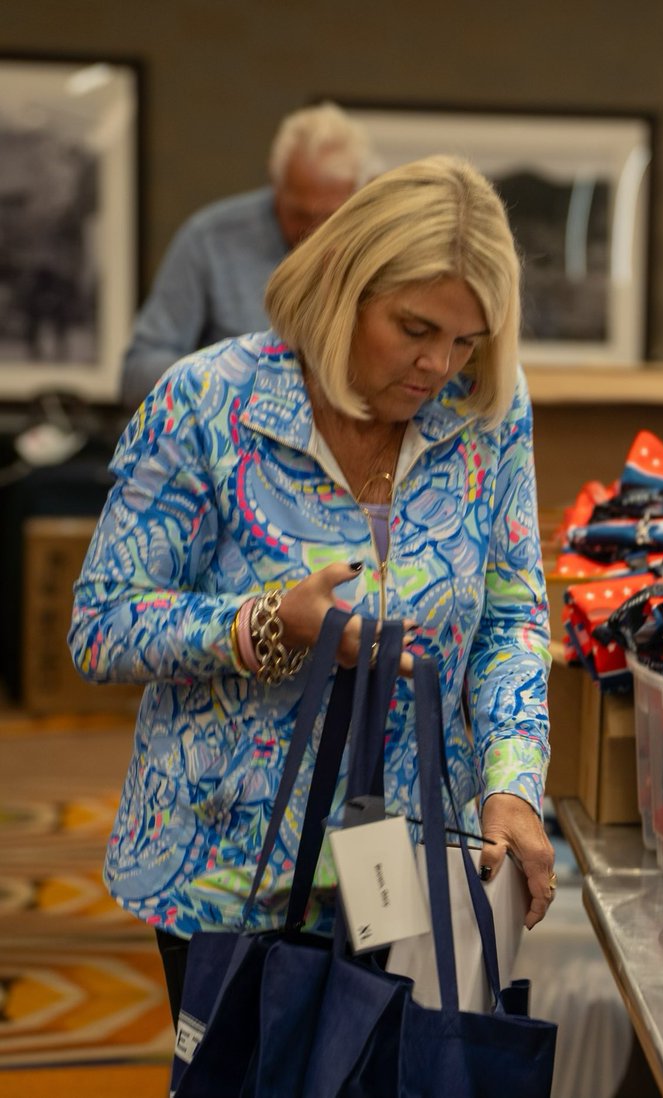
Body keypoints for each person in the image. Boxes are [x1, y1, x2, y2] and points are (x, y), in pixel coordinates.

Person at [70, 154, 556, 1028]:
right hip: (227, 866)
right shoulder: (209, 402)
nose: (437, 364)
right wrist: (269, 623)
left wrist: (513, 784)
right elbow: (102, 625)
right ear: (345, 288)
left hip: (409, 863)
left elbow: (513, 613)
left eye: (466, 340)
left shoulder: (487, 409)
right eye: (414, 328)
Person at [118, 100, 376, 408]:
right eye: (299, 214)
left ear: (358, 195)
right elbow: (137, 373)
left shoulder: (380, 251)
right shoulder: (209, 239)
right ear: (275, 183)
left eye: (330, 216)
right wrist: (237, 378)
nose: (313, 232)